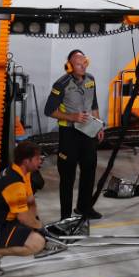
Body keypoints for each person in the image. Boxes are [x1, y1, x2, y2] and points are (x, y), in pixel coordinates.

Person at [0, 141, 63, 276]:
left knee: (37, 231)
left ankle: (41, 242)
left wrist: (38, 227)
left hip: (6, 221)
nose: (41, 160)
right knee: (36, 243)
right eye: (37, 158)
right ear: (26, 161)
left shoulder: (23, 172)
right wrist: (41, 231)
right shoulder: (14, 183)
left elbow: (30, 202)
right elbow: (23, 218)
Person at [43, 50, 103, 220]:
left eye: (85, 62)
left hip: (88, 132)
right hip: (69, 134)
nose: (83, 66)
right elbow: (49, 111)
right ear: (69, 66)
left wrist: (98, 126)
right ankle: (66, 217)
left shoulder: (91, 80)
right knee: (68, 176)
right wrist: (72, 117)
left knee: (89, 171)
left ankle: (84, 208)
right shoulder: (61, 84)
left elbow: (94, 103)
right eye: (78, 64)